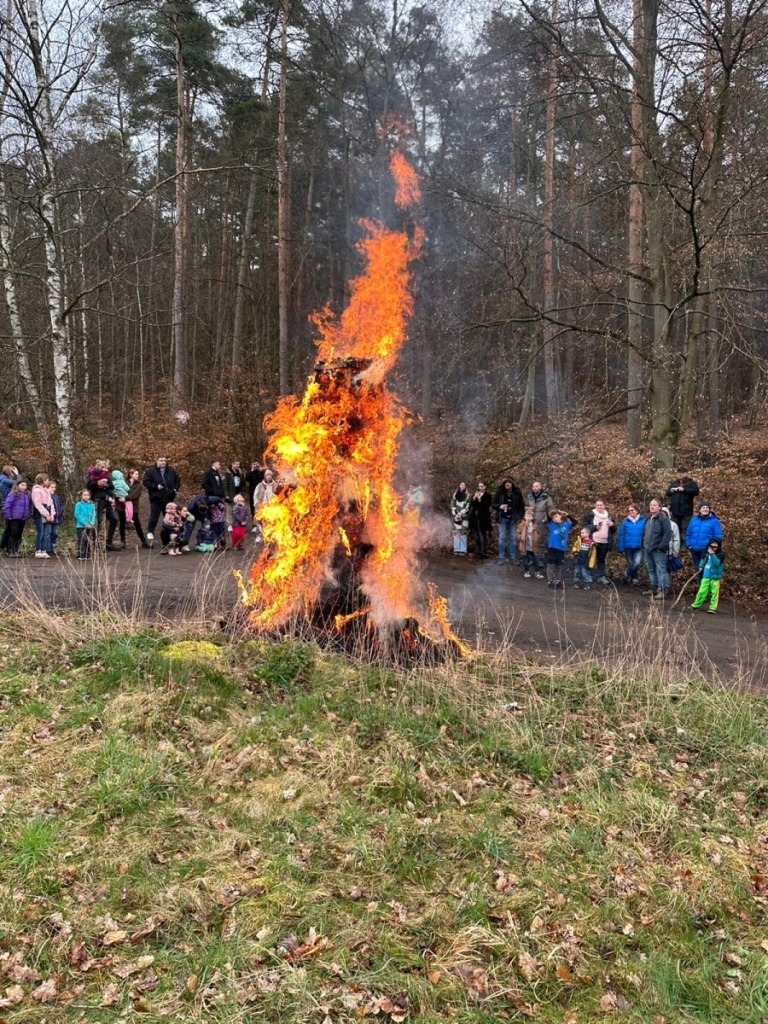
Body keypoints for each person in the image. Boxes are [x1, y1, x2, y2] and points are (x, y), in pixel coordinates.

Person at [143, 456, 181, 542]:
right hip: (156, 497)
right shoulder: (150, 471)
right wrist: (156, 486)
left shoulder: (171, 470)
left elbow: (177, 480)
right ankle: (150, 531)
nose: (163, 462)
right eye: (161, 460)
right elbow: (146, 482)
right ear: (157, 461)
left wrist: (175, 489)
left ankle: (169, 532)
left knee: (169, 516)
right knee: (154, 515)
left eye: (164, 461)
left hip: (169, 497)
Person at [642, 498, 672, 599]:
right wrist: (643, 545)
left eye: (654, 505)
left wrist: (660, 547)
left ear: (659, 507)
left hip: (658, 551)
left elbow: (667, 534)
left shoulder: (663, 519)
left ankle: (662, 590)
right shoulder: (648, 519)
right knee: (651, 569)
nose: (652, 506)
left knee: (660, 570)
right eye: (651, 505)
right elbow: (644, 533)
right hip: (647, 549)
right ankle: (654, 588)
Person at [492, 478, 524, 565]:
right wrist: (499, 506)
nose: (507, 483)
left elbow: (521, 506)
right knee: (502, 537)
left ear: (512, 484)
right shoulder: (500, 492)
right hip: (502, 518)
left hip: (513, 520)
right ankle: (501, 558)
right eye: (505, 482)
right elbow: (493, 504)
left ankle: (513, 558)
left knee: (513, 538)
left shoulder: (517, 493)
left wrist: (519, 517)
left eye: (509, 482)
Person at [582, 499, 615, 584]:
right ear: (595, 506)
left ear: (604, 506)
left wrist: (612, 525)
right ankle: (588, 575)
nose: (599, 506)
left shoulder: (609, 516)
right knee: (589, 558)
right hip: (592, 541)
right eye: (598, 505)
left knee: (601, 559)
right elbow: (584, 527)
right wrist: (595, 527)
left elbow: (614, 530)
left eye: (601, 505)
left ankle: (601, 576)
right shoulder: (590, 515)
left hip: (604, 542)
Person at [685, 502, 723, 573]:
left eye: (707, 508)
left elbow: (718, 536)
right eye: (703, 507)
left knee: (706, 571)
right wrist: (689, 545)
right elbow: (688, 534)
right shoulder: (693, 520)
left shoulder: (714, 521)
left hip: (706, 550)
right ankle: (700, 584)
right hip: (694, 549)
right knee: (697, 570)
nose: (705, 509)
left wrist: (713, 548)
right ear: (699, 510)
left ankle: (705, 584)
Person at [88, 470, 119, 551]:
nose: (107, 468)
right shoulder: (93, 473)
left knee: (114, 520)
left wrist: (106, 484)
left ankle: (108, 542)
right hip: (98, 499)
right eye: (105, 466)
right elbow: (89, 485)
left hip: (107, 500)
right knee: (97, 521)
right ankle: (95, 544)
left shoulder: (107, 475)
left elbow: (112, 486)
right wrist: (98, 483)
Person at [666, 466, 699, 540]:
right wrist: (671, 491)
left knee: (685, 530)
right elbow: (667, 493)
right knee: (675, 530)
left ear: (686, 473)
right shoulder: (674, 483)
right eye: (678, 473)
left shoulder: (691, 483)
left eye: (682, 472)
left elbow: (696, 492)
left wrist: (684, 489)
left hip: (686, 512)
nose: (680, 474)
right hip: (675, 511)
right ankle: (676, 546)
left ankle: (685, 547)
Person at [691, 539, 723, 614]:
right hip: (706, 576)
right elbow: (702, 560)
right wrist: (701, 566)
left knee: (714, 593)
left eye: (716, 544)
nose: (713, 546)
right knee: (701, 591)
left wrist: (712, 554)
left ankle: (712, 608)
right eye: (712, 544)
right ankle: (696, 605)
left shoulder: (720, 555)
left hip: (715, 577)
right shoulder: (705, 553)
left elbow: (716, 563)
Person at [616, 504, 645, 585]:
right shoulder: (625, 522)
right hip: (628, 547)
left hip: (639, 547)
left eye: (632, 510)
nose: (630, 512)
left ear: (637, 511)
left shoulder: (643, 521)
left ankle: (626, 574)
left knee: (636, 564)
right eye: (629, 511)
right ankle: (635, 579)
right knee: (631, 564)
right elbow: (621, 535)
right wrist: (620, 547)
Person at [525, 481, 555, 558]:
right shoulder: (529, 497)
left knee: (541, 540)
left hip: (542, 521)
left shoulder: (546, 497)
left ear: (540, 487)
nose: (535, 488)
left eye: (536, 486)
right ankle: (532, 557)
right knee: (531, 540)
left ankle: (540, 558)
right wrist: (528, 508)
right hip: (531, 522)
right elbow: (524, 506)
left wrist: (549, 517)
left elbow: (550, 508)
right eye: (533, 486)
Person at [2, 479, 31, 557]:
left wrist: (27, 515)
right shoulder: (13, 493)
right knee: (13, 533)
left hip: (22, 518)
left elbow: (28, 506)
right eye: (22, 485)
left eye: (25, 485)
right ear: (17, 485)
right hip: (13, 517)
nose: (24, 487)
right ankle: (10, 550)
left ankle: (16, 549)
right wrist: (8, 516)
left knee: (19, 534)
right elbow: (8, 505)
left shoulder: (26, 495)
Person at [546, 510, 573, 589]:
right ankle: (550, 581)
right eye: (553, 518)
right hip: (553, 547)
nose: (555, 519)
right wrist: (553, 513)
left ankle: (558, 581)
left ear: (560, 516)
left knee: (559, 565)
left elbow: (575, 522)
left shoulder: (566, 525)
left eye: (556, 517)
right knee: (551, 564)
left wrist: (567, 515)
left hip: (561, 548)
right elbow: (548, 517)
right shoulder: (552, 524)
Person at [31, 473, 54, 558]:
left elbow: (51, 503)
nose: (48, 481)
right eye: (47, 480)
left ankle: (44, 550)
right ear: (43, 480)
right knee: (40, 532)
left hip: (47, 510)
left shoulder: (47, 491)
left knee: (46, 533)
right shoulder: (36, 490)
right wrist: (46, 514)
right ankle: (38, 550)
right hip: (40, 513)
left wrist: (52, 514)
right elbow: (38, 504)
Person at [0, 464, 22, 553]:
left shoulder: (5, 480)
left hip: (11, 505)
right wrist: (18, 474)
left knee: (9, 528)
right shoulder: (5, 480)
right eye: (13, 472)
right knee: (11, 529)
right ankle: (6, 546)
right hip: (9, 505)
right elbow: (19, 483)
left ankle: (3, 545)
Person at [517, 508, 543, 578]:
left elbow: (538, 533)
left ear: (532, 517)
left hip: (533, 545)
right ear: (524, 517)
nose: (528, 517)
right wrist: (520, 538)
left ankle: (537, 572)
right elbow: (518, 533)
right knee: (526, 559)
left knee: (535, 559)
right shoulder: (521, 525)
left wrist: (537, 537)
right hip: (525, 545)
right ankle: (526, 571)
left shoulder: (534, 525)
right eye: (527, 516)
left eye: (530, 516)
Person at [126, 469, 150, 548]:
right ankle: (123, 542)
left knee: (137, 524)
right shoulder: (125, 483)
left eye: (137, 474)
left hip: (133, 507)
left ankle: (143, 541)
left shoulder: (139, 485)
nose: (137, 476)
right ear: (131, 474)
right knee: (122, 524)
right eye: (136, 474)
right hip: (123, 506)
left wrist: (125, 497)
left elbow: (135, 495)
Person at [469, 482, 492, 559]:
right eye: (479, 486)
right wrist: (474, 498)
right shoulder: (476, 493)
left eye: (482, 486)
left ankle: (483, 552)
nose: (480, 488)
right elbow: (472, 504)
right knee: (476, 536)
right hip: (475, 517)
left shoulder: (488, 495)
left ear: (485, 487)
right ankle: (478, 551)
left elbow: (485, 506)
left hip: (483, 518)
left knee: (482, 535)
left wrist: (479, 499)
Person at [253, 470, 278, 540]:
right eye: (267, 475)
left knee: (270, 521)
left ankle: (269, 535)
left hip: (271, 506)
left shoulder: (275, 485)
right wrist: (256, 504)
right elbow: (255, 495)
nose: (269, 476)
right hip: (262, 505)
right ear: (264, 476)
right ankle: (259, 535)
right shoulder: (260, 485)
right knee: (260, 520)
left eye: (270, 475)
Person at [74, 489, 96, 560]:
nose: (86, 497)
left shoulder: (92, 505)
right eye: (84, 495)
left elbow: (94, 515)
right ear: (81, 496)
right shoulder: (78, 505)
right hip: (81, 526)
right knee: (82, 540)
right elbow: (77, 514)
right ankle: (81, 554)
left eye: (88, 495)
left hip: (90, 526)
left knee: (88, 540)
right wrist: (85, 523)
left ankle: (88, 554)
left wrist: (91, 523)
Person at [111, 468, 130, 548]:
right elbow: (127, 489)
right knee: (129, 510)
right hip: (125, 499)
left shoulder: (112, 483)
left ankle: (123, 541)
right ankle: (129, 518)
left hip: (118, 501)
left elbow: (112, 491)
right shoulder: (122, 482)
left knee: (121, 521)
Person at [661, 505, 681, 579]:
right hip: (658, 551)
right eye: (661, 513)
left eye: (664, 513)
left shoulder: (673, 525)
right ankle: (660, 587)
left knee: (666, 570)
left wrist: (675, 553)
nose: (662, 515)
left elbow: (676, 540)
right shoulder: (656, 523)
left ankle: (666, 588)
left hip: (668, 552)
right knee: (660, 570)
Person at [450, 482, 471, 555]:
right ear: (459, 486)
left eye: (464, 485)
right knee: (456, 532)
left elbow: (468, 507)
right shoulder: (455, 495)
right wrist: (455, 514)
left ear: (466, 486)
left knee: (463, 532)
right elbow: (453, 505)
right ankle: (456, 549)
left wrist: (461, 513)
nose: (462, 486)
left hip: (464, 516)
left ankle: (463, 549)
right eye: (461, 485)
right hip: (456, 516)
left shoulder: (468, 496)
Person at [48, 481, 63, 555]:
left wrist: (60, 512)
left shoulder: (56, 496)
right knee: (49, 533)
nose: (53, 489)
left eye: (54, 487)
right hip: (50, 518)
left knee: (55, 533)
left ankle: (53, 547)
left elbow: (59, 505)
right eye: (52, 487)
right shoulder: (47, 496)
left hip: (57, 518)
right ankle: (48, 547)